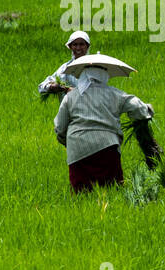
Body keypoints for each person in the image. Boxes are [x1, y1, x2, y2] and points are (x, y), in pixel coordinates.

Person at [53, 58, 154, 193]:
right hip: (107, 147)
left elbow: (60, 127)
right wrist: (148, 109)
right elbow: (138, 108)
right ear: (104, 75)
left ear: (83, 74)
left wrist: (68, 142)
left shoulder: (70, 97)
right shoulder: (114, 93)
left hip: (77, 149)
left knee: (82, 192)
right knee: (112, 188)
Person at [38, 31, 90, 97]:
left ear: (87, 46)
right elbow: (41, 87)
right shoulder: (65, 68)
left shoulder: (94, 67)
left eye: (81, 44)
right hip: (68, 107)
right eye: (75, 44)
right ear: (70, 47)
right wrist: (52, 87)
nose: (78, 48)